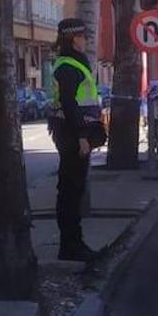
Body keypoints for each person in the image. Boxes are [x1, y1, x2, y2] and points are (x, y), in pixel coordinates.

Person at [48, 18, 104, 262]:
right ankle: (71, 246)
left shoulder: (72, 64)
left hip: (72, 134)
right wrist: (82, 136)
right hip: (72, 136)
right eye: (83, 36)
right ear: (74, 38)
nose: (86, 40)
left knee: (73, 191)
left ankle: (74, 243)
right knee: (71, 192)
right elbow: (70, 105)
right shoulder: (69, 67)